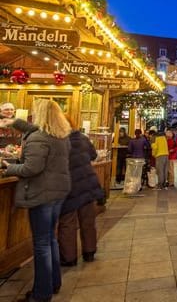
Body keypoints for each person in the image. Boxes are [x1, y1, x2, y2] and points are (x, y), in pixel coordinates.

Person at [0, 100, 71, 302]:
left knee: (41, 244)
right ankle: (54, 283)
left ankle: (41, 293)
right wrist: (13, 122)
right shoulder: (60, 135)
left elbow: (32, 168)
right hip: (58, 193)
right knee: (50, 239)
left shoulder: (39, 138)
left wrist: (9, 167)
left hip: (41, 193)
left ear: (39, 116)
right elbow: (33, 130)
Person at [57, 117, 104, 266]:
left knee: (67, 222)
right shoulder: (82, 138)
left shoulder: (58, 140)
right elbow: (94, 155)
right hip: (87, 183)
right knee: (87, 220)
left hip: (69, 185)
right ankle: (89, 252)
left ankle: (69, 257)